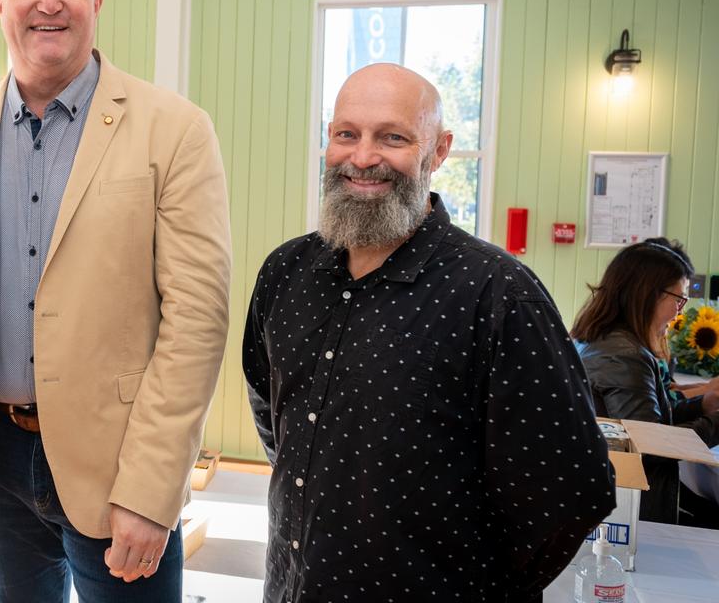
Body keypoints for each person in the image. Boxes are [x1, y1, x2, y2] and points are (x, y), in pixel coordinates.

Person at [0, 0, 231, 603]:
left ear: (97, 2)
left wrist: (151, 486)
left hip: (119, 465)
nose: (48, 2)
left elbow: (196, 320)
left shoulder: (174, 131)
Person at [243, 63, 616, 602]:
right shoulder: (287, 272)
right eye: (345, 134)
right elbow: (272, 410)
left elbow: (568, 488)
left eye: (392, 137)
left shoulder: (499, 293)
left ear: (438, 151)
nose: (363, 157)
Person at [572, 238, 719, 524]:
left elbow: (645, 419)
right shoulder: (623, 355)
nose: (679, 312)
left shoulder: (610, 341)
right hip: (634, 506)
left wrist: (703, 404)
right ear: (648, 295)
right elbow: (649, 447)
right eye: (678, 299)